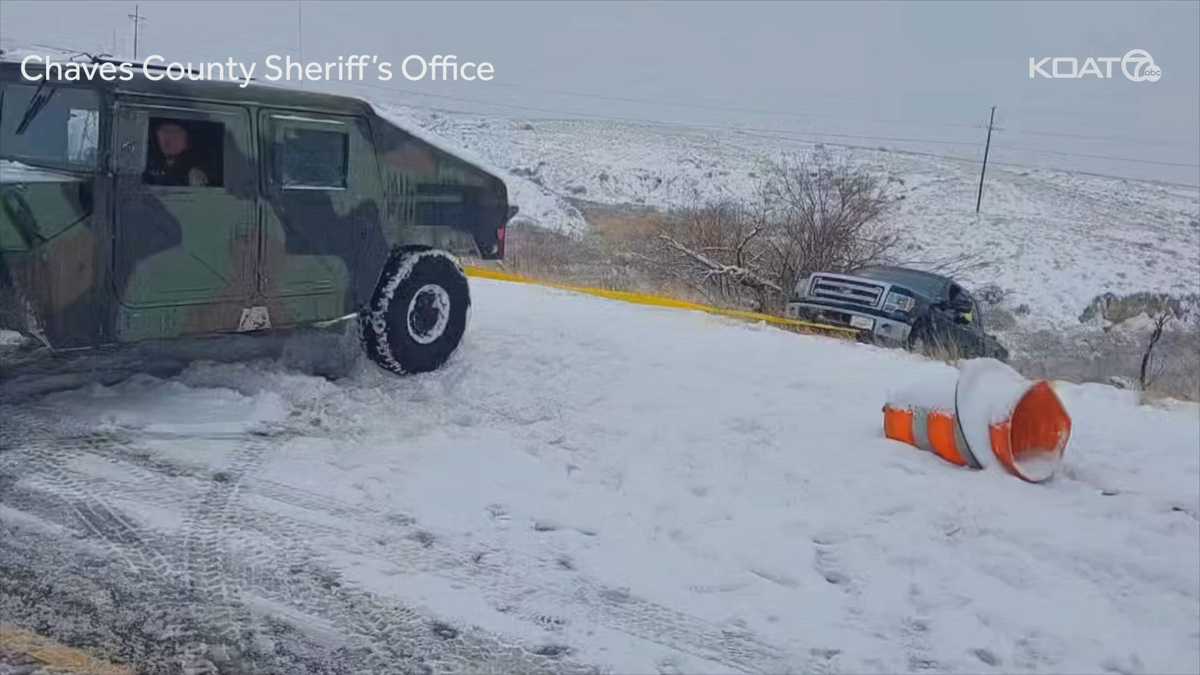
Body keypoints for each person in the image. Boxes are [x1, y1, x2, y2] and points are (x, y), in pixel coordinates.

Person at [143, 120, 211, 187]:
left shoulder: (197, 166)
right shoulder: (149, 160)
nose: (168, 138)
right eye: (165, 131)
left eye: (175, 132)